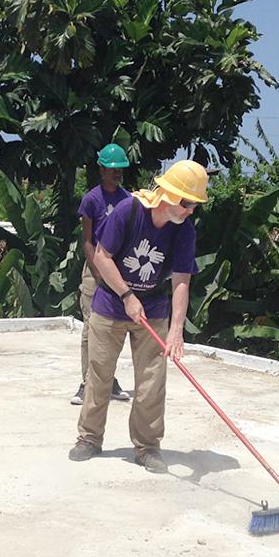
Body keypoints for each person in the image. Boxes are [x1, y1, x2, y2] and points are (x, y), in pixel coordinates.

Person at [68, 160, 209, 473]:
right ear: (169, 195)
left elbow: (182, 280)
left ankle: (147, 447)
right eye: (187, 203)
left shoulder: (184, 229)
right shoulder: (128, 211)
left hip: (154, 308)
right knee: (99, 376)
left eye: (194, 205)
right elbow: (102, 257)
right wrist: (127, 295)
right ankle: (89, 438)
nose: (190, 211)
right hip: (110, 305)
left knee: (151, 383)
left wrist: (176, 331)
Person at [72, 143, 132, 406]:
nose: (117, 173)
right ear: (101, 169)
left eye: (120, 169)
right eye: (112, 169)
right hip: (95, 272)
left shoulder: (128, 200)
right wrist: (97, 274)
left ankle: (110, 379)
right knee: (91, 327)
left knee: (113, 329)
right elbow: (87, 240)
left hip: (117, 272)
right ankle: (88, 382)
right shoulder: (91, 200)